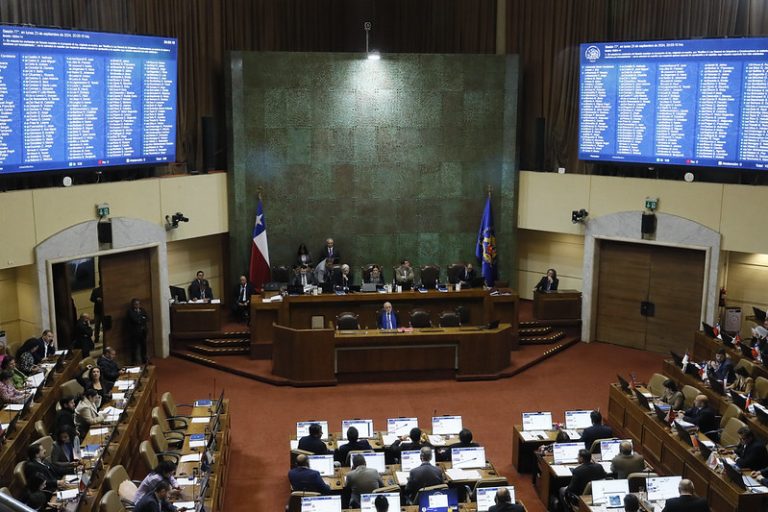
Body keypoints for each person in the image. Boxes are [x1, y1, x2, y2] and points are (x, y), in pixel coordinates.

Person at [127, 298, 149, 365]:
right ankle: (134, 362)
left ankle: (144, 360)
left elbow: (147, 318)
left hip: (143, 332)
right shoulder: (130, 311)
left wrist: (141, 319)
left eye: (138, 304)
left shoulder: (142, 310)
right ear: (133, 305)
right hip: (135, 333)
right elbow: (135, 320)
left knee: (144, 346)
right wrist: (142, 318)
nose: (137, 305)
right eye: (136, 304)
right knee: (134, 348)